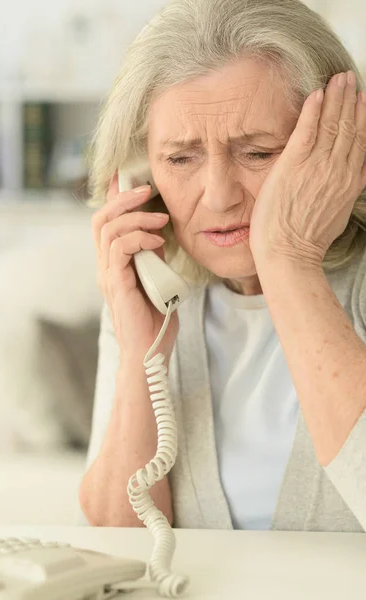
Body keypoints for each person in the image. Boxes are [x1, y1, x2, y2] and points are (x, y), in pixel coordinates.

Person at [78, 0, 366, 532]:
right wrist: (141, 354)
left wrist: (289, 261)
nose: (218, 197)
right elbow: (120, 543)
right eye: (180, 159)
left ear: (336, 146)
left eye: (258, 153)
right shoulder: (153, 293)